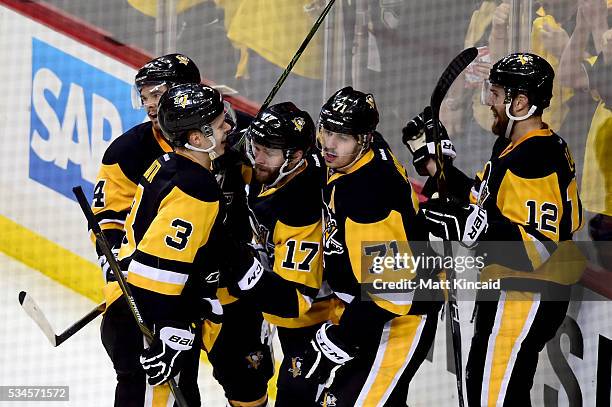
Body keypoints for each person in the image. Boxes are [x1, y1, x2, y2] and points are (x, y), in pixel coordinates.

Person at [412, 53, 584, 406]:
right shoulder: (516, 143)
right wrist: (438, 169)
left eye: (496, 93)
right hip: (511, 290)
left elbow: (539, 247)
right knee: (496, 395)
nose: (489, 101)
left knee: (489, 399)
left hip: (525, 295)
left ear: (520, 102)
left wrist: (470, 227)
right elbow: (485, 200)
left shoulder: (535, 158)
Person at [300, 87, 441, 407]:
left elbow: (392, 291)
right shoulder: (361, 154)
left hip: (401, 316)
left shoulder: (368, 193)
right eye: (327, 131)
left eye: (342, 137)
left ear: (363, 139)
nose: (329, 145)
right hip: (372, 307)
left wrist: (338, 341)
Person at [106, 83, 237, 405]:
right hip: (150, 324)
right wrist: (170, 333)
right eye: (221, 124)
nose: (229, 128)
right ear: (195, 138)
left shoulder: (167, 163)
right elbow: (159, 274)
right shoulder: (197, 189)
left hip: (129, 309)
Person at [223, 101, 344, 406]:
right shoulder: (278, 163)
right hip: (277, 297)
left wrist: (237, 262)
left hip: (317, 322)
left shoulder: (299, 206)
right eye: (256, 145)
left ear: (296, 157)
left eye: (267, 152)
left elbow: (294, 301)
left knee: (295, 397)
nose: (256, 157)